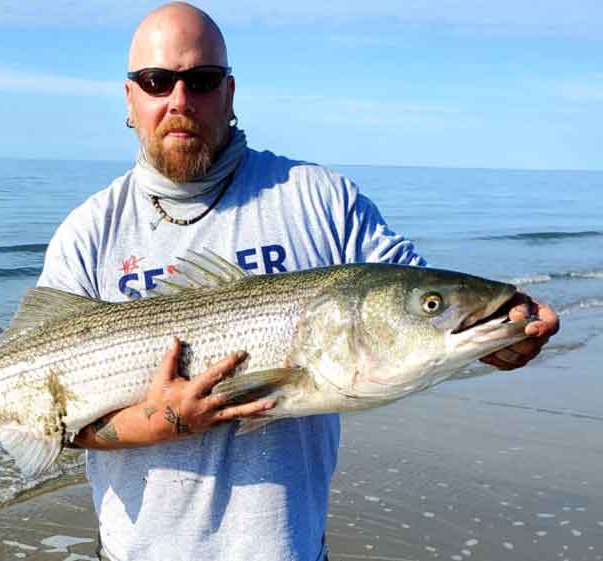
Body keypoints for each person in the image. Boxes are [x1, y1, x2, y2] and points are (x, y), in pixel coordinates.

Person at [37, 3, 560, 560]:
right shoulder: (88, 233)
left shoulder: (319, 199)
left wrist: (500, 343)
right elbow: (46, 422)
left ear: (230, 92)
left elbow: (418, 308)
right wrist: (158, 422)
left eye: (203, 80)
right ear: (130, 98)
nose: (180, 101)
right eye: (157, 81)